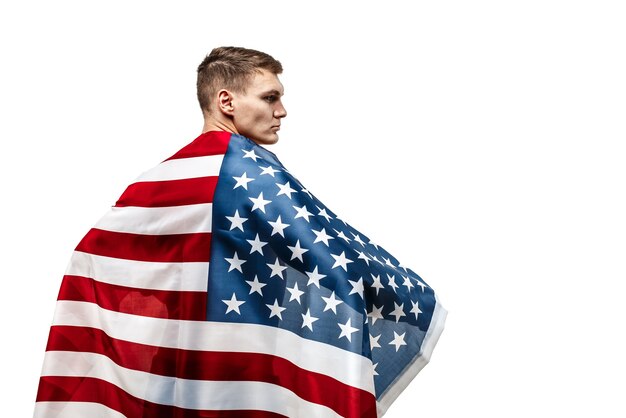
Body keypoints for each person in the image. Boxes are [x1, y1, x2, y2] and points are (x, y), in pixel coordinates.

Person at [34, 46, 446, 418]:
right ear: (226, 101)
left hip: (173, 377)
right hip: (236, 377)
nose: (281, 110)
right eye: (270, 97)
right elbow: (336, 260)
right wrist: (414, 295)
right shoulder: (250, 172)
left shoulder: (154, 180)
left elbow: (91, 259)